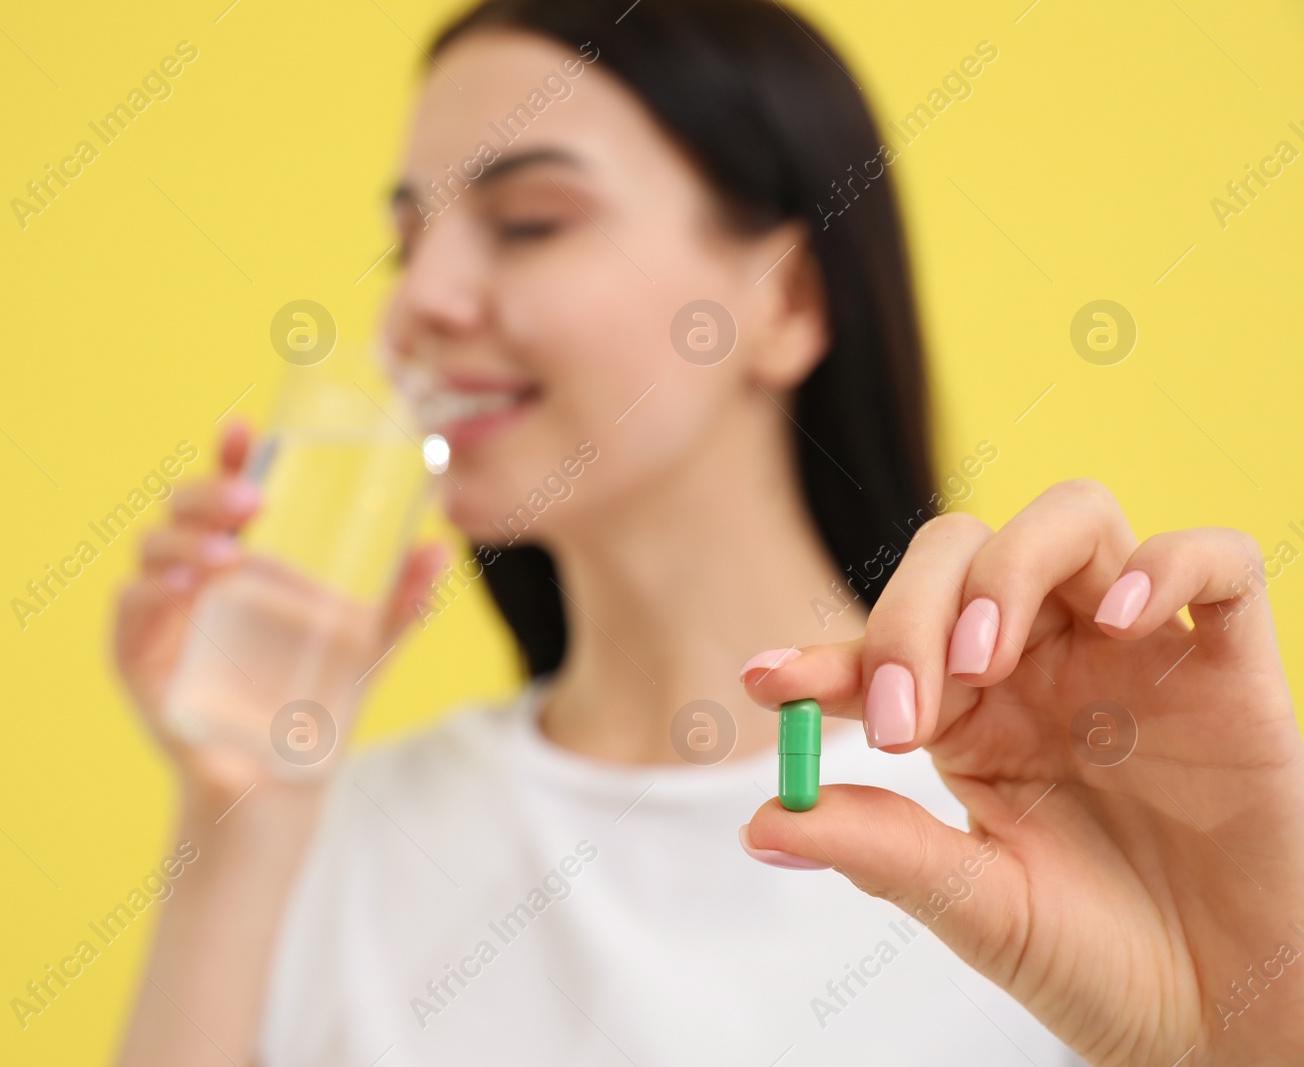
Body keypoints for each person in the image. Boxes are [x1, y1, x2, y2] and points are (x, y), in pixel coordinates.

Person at [112, 0, 1304, 1063]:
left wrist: (1243, 1030)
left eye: (528, 219)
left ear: (782, 301)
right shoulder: (332, 836)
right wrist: (246, 821)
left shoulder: (1070, 826)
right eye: (406, 238)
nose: (417, 301)